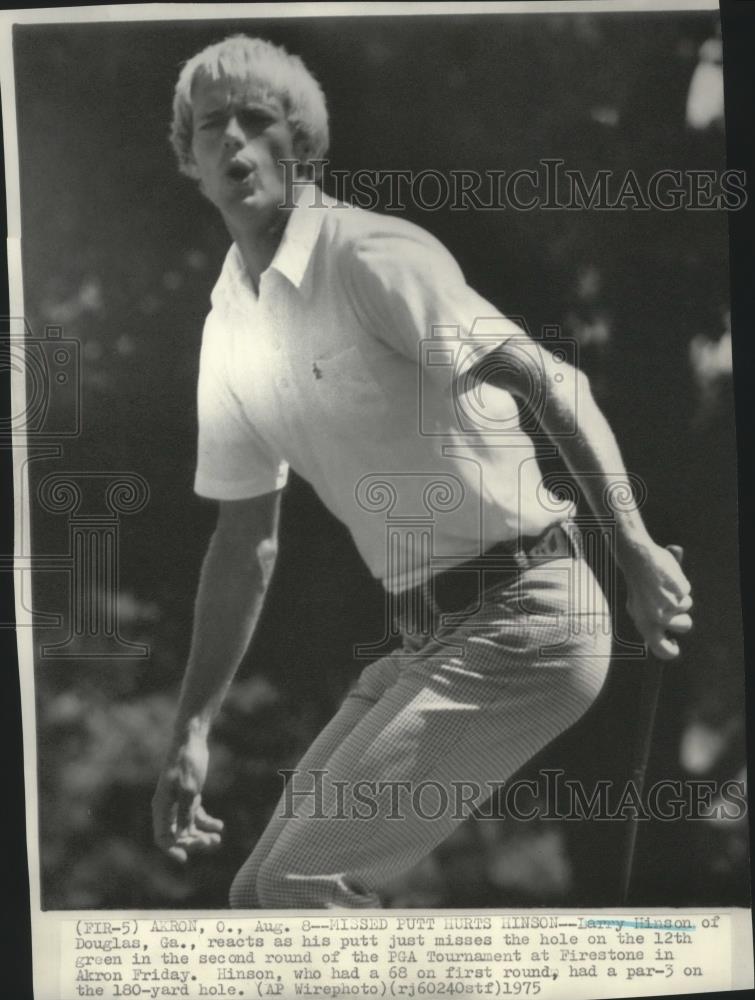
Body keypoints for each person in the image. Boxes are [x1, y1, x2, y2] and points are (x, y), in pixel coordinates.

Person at [151, 34, 693, 909]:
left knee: (300, 887)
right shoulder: (227, 328)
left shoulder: (368, 256)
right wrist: (191, 730)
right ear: (189, 156)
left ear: (304, 145)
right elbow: (243, 538)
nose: (234, 142)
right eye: (212, 125)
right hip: (426, 639)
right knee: (256, 895)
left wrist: (629, 545)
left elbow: (552, 382)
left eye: (259, 120)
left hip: (529, 619)